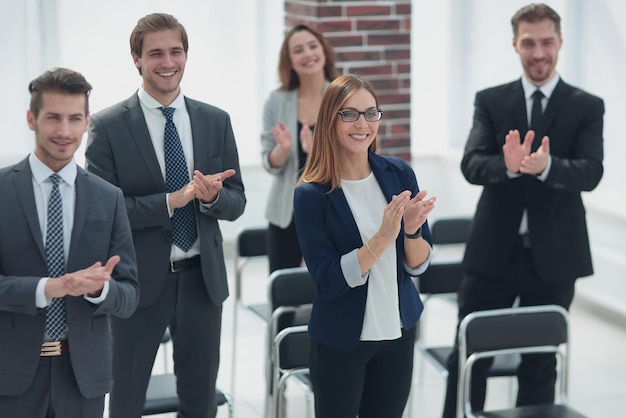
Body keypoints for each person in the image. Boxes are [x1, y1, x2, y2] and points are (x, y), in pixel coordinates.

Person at [442, 4, 604, 417]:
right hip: (492, 252)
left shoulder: (587, 106)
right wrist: (509, 167)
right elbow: (472, 164)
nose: (538, 52)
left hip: (555, 257)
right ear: (515, 44)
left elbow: (591, 172)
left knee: (540, 361)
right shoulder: (492, 101)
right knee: (469, 352)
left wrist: (547, 166)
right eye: (528, 43)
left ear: (560, 42)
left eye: (546, 42)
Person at [85, 13, 246, 418]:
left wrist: (211, 199)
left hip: (202, 282)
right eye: (155, 53)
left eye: (176, 51)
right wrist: (171, 202)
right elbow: (105, 212)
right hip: (138, 285)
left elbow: (237, 199)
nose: (167, 62)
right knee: (125, 399)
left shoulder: (215, 120)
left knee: (199, 399)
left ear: (187, 55)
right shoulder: (106, 127)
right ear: (136, 59)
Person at [293, 74, 437, 418]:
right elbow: (327, 280)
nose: (363, 124)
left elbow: (418, 265)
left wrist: (412, 232)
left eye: (371, 113)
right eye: (350, 114)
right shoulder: (311, 194)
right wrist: (383, 238)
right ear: (330, 119)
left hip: (397, 331)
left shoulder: (399, 173)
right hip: (342, 338)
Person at [0, 67, 139, 417]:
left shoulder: (109, 198)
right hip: (10, 373)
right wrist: (50, 288)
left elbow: (129, 295)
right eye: (53, 118)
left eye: (75, 118)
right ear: (31, 119)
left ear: (87, 122)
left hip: (84, 377)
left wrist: (97, 291)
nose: (64, 131)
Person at [261, 24, 339, 273]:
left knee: (331, 285)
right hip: (286, 213)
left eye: (313, 46)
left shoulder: (342, 97)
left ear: (324, 52)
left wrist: (317, 151)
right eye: (298, 50)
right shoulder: (276, 100)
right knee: (283, 290)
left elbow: (357, 158)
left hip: (332, 209)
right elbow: (268, 161)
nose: (308, 54)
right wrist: (282, 150)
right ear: (290, 61)